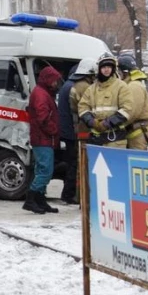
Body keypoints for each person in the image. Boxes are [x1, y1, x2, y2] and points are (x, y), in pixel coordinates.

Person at [23, 66, 62, 215]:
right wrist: (54, 130)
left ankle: (40, 200)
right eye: (54, 81)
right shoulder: (41, 94)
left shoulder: (42, 92)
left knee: (41, 169)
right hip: (43, 139)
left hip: (42, 138)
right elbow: (43, 118)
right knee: (45, 171)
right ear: (48, 80)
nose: (56, 84)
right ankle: (31, 199)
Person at [57, 58, 96, 204]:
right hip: (74, 132)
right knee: (75, 164)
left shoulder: (67, 85)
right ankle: (69, 194)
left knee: (72, 163)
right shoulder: (81, 86)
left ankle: (68, 194)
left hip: (67, 131)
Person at [79, 53, 134, 148]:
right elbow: (82, 107)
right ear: (99, 69)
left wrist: (108, 122)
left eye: (109, 66)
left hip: (115, 139)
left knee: (115, 163)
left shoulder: (121, 86)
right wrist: (91, 122)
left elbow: (127, 108)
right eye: (104, 66)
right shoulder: (91, 89)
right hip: (96, 139)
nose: (106, 69)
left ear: (113, 69)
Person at [117, 54, 148, 150]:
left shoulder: (134, 86)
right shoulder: (131, 84)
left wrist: (117, 124)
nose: (118, 75)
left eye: (119, 71)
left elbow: (132, 111)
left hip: (137, 132)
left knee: (137, 159)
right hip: (135, 130)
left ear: (125, 72)